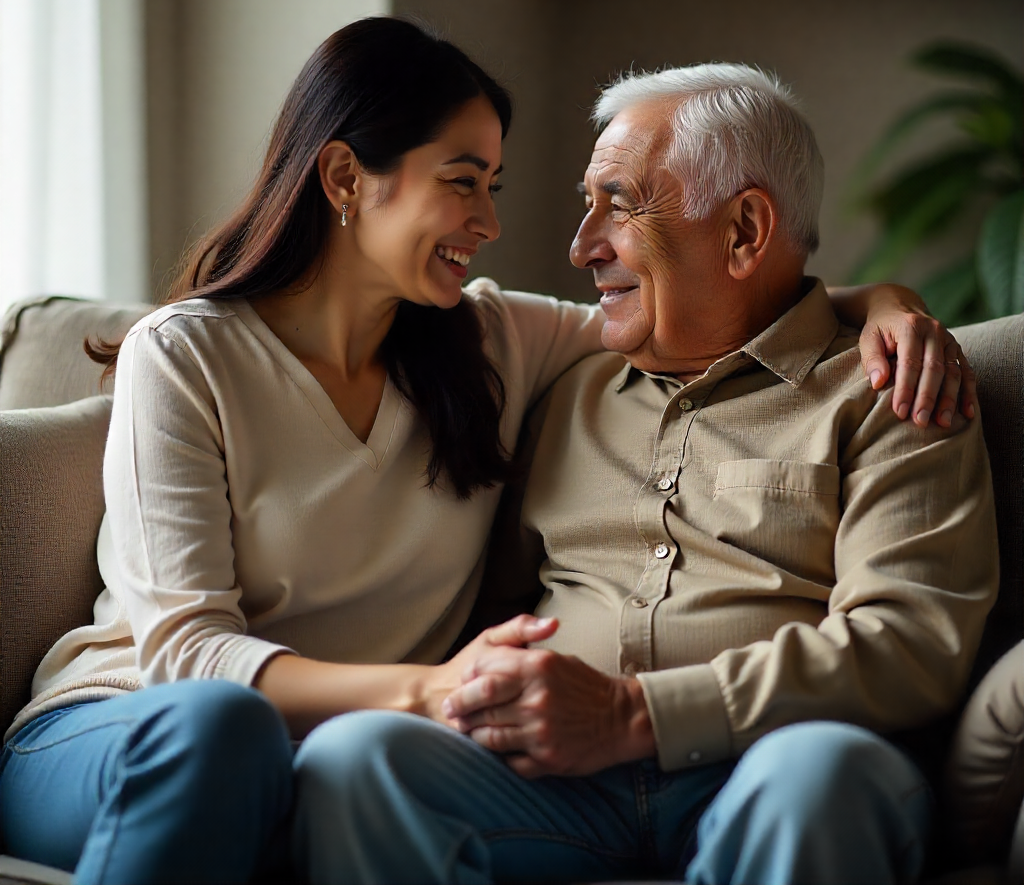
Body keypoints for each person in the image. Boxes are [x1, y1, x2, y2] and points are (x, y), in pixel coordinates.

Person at [0, 22, 974, 885]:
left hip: (761, 754)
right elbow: (189, 655)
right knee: (306, 748)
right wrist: (436, 688)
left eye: (614, 202)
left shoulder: (509, 346)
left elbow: (746, 308)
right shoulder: (210, 351)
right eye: (463, 184)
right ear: (344, 180)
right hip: (165, 717)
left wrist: (882, 304)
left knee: (819, 773)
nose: (552, 237)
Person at [289, 63, 999, 885]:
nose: (583, 246)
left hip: (774, 767)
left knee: (819, 776)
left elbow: (911, 645)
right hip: (558, 788)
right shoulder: (565, 384)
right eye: (586, 206)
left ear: (743, 232)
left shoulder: (892, 387)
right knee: (355, 757)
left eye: (617, 205)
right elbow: (497, 605)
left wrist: (636, 716)